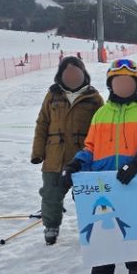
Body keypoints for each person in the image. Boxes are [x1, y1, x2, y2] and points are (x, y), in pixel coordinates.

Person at [60, 59, 137, 274]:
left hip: (134, 182)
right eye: (118, 81)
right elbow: (90, 147)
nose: (123, 85)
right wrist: (76, 164)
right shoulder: (102, 113)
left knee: (134, 228)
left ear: (136, 84)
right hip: (104, 184)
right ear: (111, 84)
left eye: (128, 81)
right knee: (103, 230)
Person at [31, 56, 103, 246]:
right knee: (51, 194)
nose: (72, 77)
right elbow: (42, 123)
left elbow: (102, 128)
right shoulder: (52, 95)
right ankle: (51, 225)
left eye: (76, 73)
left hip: (83, 157)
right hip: (55, 156)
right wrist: (38, 152)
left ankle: (92, 225)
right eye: (67, 73)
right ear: (61, 75)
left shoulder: (94, 98)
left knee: (85, 195)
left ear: (83, 74)